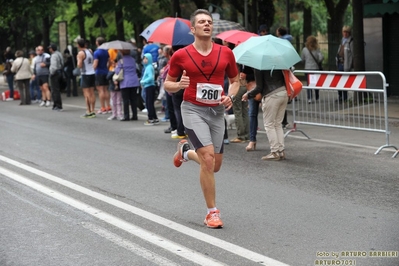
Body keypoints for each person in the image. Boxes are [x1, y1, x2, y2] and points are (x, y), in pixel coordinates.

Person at [164, 9, 239, 228]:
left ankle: (186, 152)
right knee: (207, 160)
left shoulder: (225, 53)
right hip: (193, 109)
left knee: (214, 166)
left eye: (209, 22)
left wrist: (230, 96)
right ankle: (212, 212)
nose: (207, 24)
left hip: (216, 112)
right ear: (193, 29)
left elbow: (235, 80)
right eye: (202, 22)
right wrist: (178, 86)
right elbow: (167, 83)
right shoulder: (181, 55)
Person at [242, 69, 288, 161]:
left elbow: (259, 87)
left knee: (269, 124)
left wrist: (248, 94)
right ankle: (281, 151)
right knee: (278, 124)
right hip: (283, 93)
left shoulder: (259, 66)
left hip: (271, 95)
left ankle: (274, 152)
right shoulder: (278, 62)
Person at [114, 49, 140, 121]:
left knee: (125, 100)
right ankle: (135, 115)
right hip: (134, 81)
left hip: (125, 82)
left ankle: (126, 116)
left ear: (122, 53)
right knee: (133, 99)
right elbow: (136, 68)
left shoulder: (121, 61)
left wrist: (116, 67)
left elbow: (117, 71)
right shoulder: (133, 60)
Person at [77, 38, 96, 118]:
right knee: (92, 93)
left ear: (78, 45)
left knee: (86, 93)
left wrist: (78, 60)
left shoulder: (81, 53)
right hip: (92, 72)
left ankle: (88, 111)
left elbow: (79, 65)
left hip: (85, 74)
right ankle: (93, 110)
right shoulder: (90, 51)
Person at [301, 35, 324, 103]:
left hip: (307, 69)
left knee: (309, 84)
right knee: (316, 83)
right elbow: (320, 58)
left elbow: (302, 59)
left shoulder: (304, 50)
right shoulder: (317, 49)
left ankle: (309, 98)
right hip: (315, 69)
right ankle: (317, 97)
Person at [93, 37, 111, 114]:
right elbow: (109, 61)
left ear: (97, 43)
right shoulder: (106, 51)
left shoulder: (97, 52)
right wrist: (107, 67)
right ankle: (108, 106)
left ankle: (102, 107)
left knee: (100, 90)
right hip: (106, 71)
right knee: (106, 90)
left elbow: (95, 63)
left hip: (99, 72)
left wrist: (93, 68)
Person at [336, 25, 354, 102]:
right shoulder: (342, 41)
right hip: (340, 63)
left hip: (346, 64)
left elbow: (352, 54)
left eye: (347, 32)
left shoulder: (351, 42)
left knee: (344, 81)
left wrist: (350, 65)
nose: (345, 34)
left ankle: (345, 97)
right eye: (344, 32)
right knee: (338, 80)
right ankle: (340, 96)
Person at [141, 53, 159, 125]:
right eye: (144, 58)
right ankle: (154, 118)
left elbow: (150, 77)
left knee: (149, 103)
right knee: (150, 103)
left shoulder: (149, 67)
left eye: (146, 58)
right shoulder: (148, 67)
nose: (145, 60)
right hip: (149, 86)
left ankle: (151, 118)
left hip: (149, 86)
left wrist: (143, 81)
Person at [48, 43, 64, 111]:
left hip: (55, 73)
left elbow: (53, 66)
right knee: (57, 89)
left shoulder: (54, 55)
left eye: (50, 48)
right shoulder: (59, 54)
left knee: (55, 90)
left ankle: (57, 105)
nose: (49, 49)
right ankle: (57, 104)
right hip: (60, 72)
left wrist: (51, 73)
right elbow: (62, 63)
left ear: (52, 49)